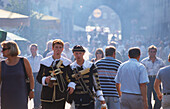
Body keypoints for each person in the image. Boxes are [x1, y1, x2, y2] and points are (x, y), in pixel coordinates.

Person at [36, 39, 75, 109]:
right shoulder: (45, 62)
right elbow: (39, 78)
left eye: (60, 47)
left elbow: (71, 77)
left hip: (60, 94)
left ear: (62, 49)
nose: (58, 49)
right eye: (56, 47)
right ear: (52, 48)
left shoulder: (66, 62)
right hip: (47, 95)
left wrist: (71, 86)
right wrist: (45, 80)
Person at [0, 40, 34, 109]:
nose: (1, 51)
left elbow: (30, 76)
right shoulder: (2, 64)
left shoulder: (23, 61)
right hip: (6, 96)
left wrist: (31, 90)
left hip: (20, 96)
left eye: (4, 49)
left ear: (11, 49)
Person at [141, 45, 165, 109]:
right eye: (151, 51)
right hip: (147, 79)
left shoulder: (160, 61)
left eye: (153, 52)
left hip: (157, 79)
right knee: (147, 97)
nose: (152, 53)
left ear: (156, 53)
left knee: (158, 98)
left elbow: (163, 71)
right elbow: (141, 72)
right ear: (148, 52)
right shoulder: (144, 61)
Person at [27, 44, 43, 109]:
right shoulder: (28, 58)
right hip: (31, 75)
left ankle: (38, 105)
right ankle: (34, 105)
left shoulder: (40, 57)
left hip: (38, 74)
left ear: (36, 49)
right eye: (31, 49)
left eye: (33, 49)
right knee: (32, 90)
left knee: (38, 90)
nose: (32, 50)